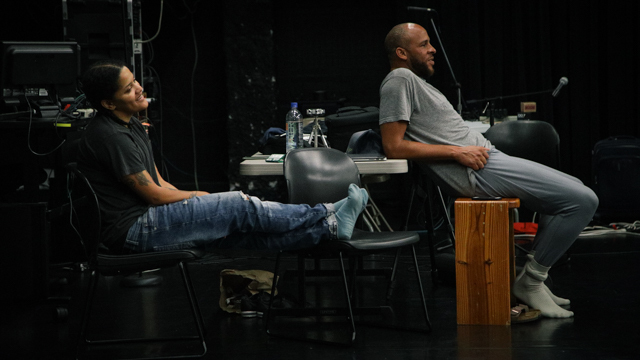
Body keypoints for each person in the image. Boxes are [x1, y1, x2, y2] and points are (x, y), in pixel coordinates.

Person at [379, 23, 598, 318]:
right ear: (402, 52)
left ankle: (533, 280)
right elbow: (393, 146)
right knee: (584, 201)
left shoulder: (413, 81)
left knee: (573, 187)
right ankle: (532, 280)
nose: (432, 50)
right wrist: (458, 151)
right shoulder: (398, 80)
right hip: (479, 169)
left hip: (487, 158)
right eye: (424, 44)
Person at [75, 59, 367, 256]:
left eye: (135, 81)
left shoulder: (133, 122)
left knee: (241, 236)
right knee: (236, 205)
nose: (139, 89)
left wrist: (192, 200)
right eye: (128, 89)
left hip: (149, 220)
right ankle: (327, 211)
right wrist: (197, 196)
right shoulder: (111, 136)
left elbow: (159, 182)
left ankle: (330, 227)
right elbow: (152, 195)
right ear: (108, 103)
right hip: (135, 229)